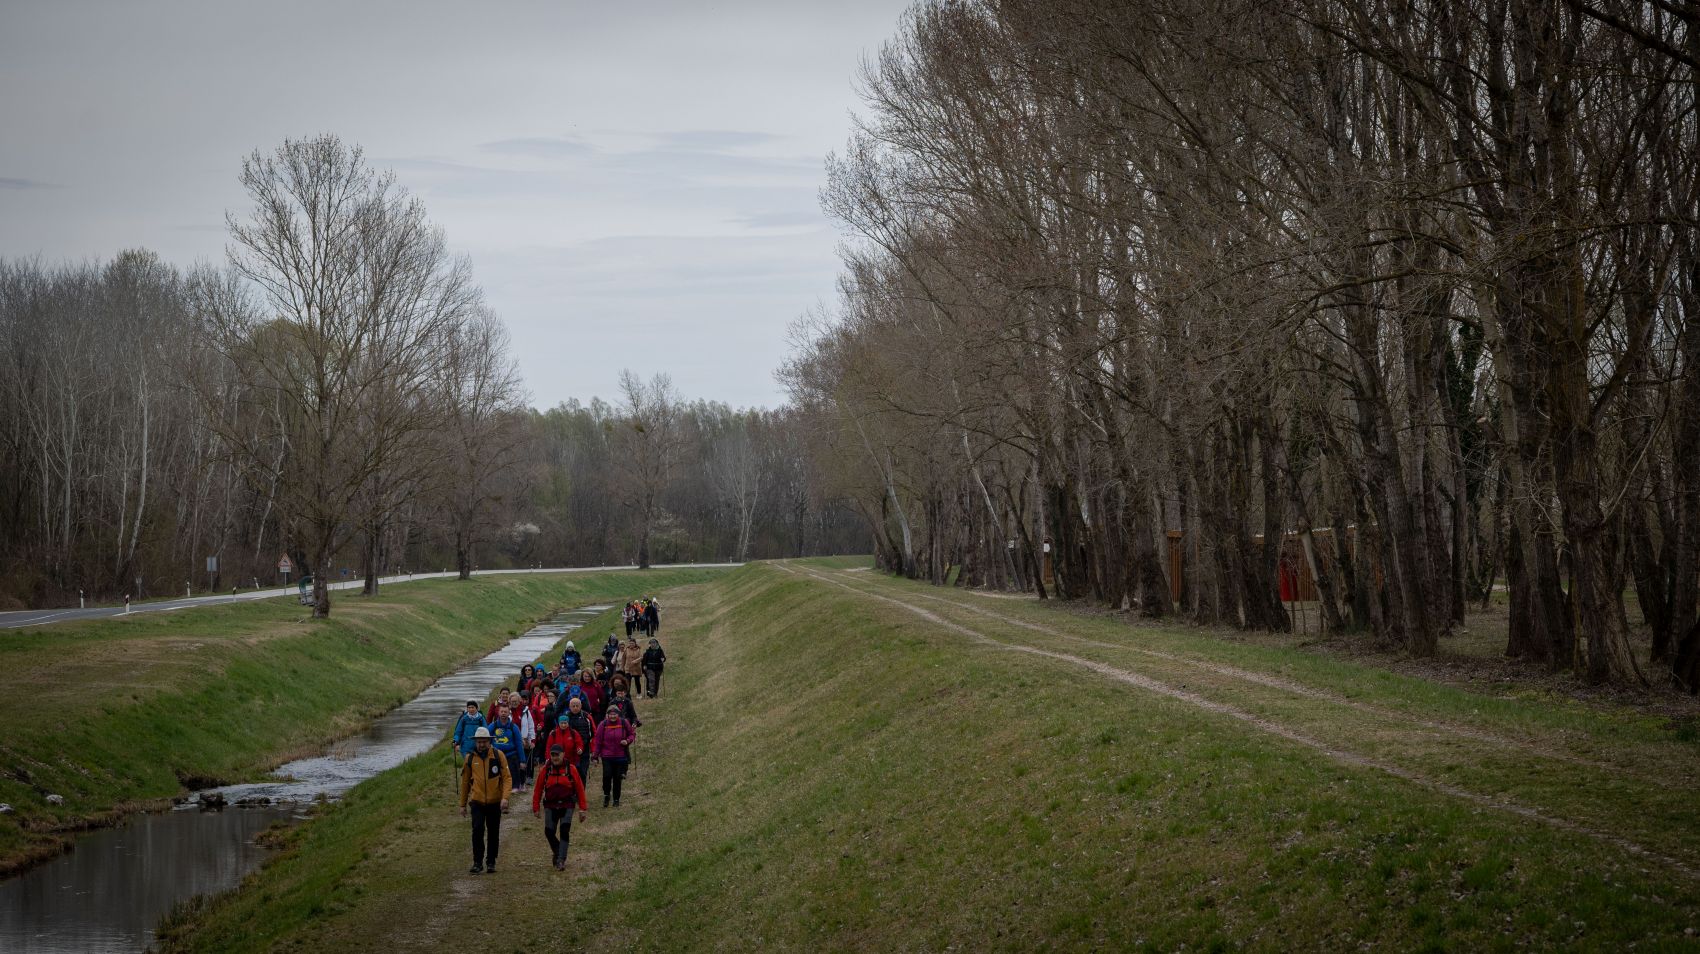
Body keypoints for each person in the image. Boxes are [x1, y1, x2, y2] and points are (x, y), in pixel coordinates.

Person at [458, 726, 511, 874]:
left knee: (493, 832)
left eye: (484, 742)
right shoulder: (469, 758)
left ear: (489, 741)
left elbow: (507, 778)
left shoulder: (498, 755)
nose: (481, 744)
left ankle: (491, 862)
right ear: (475, 742)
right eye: (479, 742)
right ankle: (477, 862)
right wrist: (462, 804)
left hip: (495, 802)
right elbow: (465, 782)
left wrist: (505, 797)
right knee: (477, 830)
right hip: (477, 802)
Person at [531, 744, 588, 871]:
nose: (555, 757)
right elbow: (538, 789)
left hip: (567, 804)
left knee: (564, 830)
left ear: (563, 755)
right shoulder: (545, 770)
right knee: (549, 832)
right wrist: (535, 807)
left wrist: (582, 808)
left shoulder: (571, 769)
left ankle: (561, 859)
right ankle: (557, 852)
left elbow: (579, 789)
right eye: (553, 755)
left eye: (557, 755)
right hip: (550, 805)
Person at [591, 705, 635, 807]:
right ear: (607, 715)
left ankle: (616, 799)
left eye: (614, 714)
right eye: (610, 714)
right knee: (606, 776)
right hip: (607, 756)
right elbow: (598, 742)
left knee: (617, 778)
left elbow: (631, 734)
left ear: (618, 714)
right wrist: (595, 756)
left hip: (620, 756)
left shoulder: (624, 723)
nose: (612, 716)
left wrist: (627, 741)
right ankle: (606, 795)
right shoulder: (603, 725)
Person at [489, 704, 528, 794]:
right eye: (501, 711)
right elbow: (487, 740)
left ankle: (515, 786)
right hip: (496, 754)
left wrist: (522, 760)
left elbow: (519, 744)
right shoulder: (492, 726)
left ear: (508, 713)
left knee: (513, 771)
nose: (503, 713)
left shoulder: (514, 727)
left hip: (511, 754)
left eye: (505, 712)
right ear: (498, 713)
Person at [559, 694, 597, 785]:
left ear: (581, 706)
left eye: (577, 706)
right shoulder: (565, 718)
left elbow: (594, 734)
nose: (575, 708)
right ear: (569, 706)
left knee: (582, 773)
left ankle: (581, 794)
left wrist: (593, 750)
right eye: (573, 706)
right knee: (570, 773)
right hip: (569, 751)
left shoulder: (587, 717)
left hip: (584, 750)